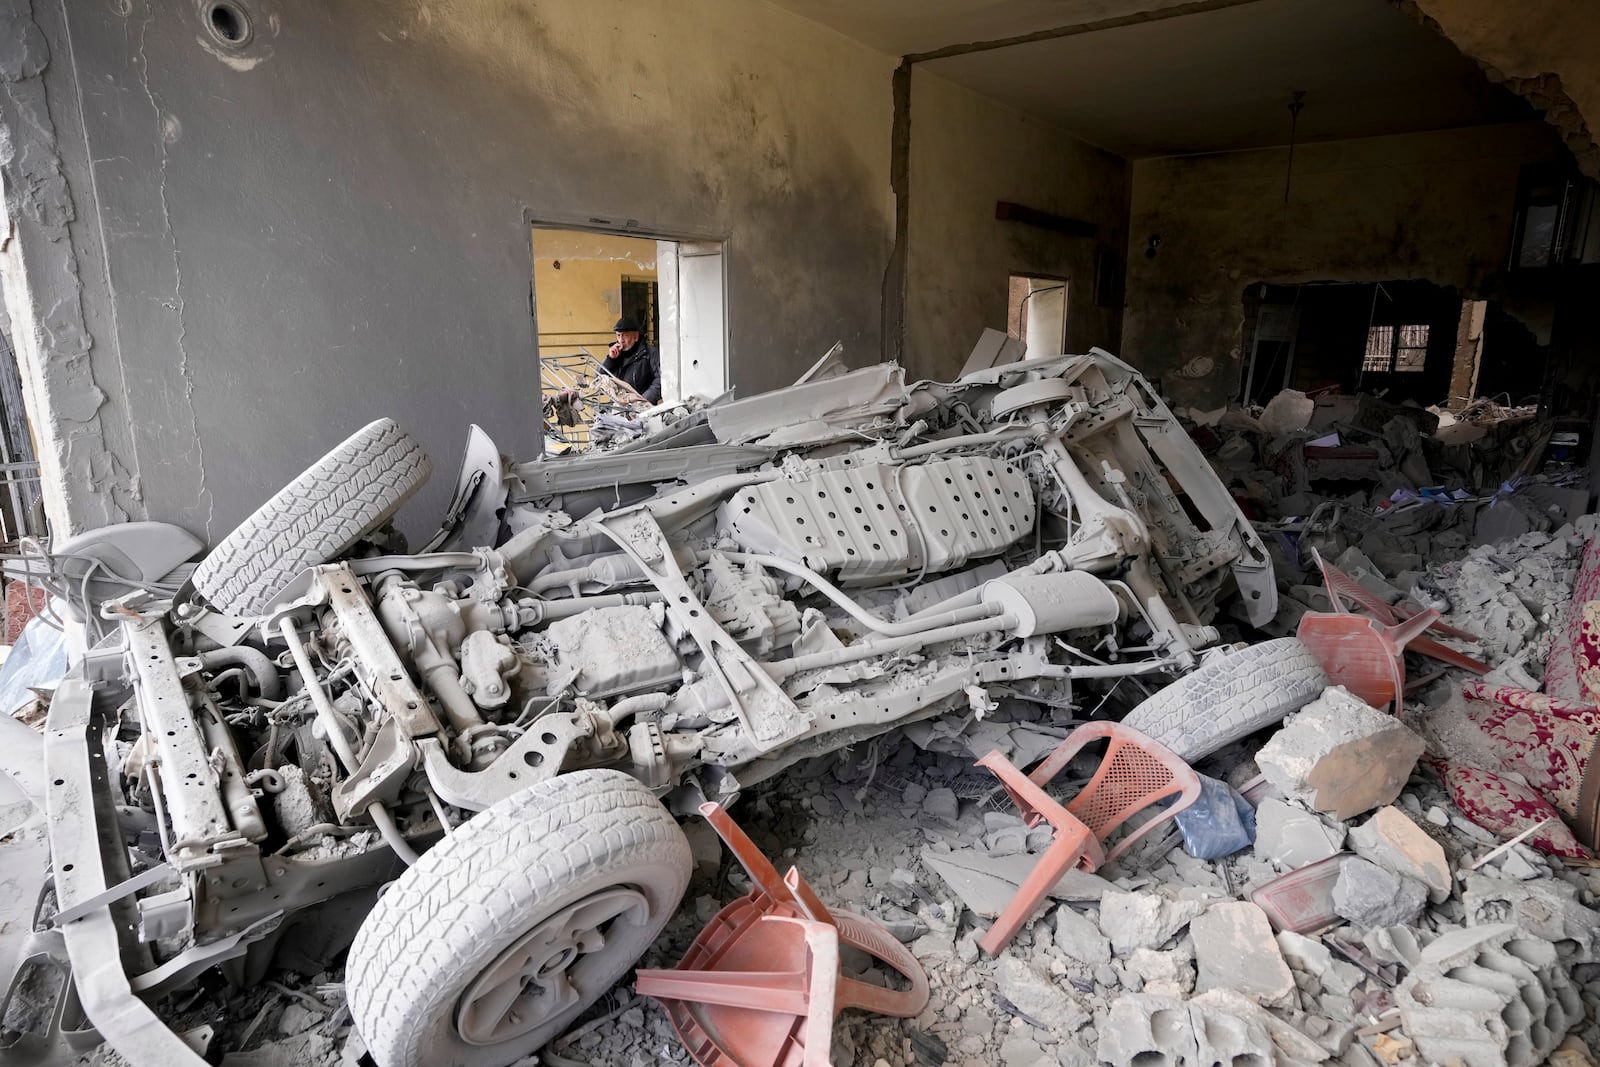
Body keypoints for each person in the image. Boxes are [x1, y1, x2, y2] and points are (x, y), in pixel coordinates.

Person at [600, 316, 662, 404]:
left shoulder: (650, 353)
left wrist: (642, 401)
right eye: (618, 335)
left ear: (635, 336)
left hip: (643, 408)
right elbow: (599, 379)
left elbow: (659, 381)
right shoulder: (616, 353)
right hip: (618, 407)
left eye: (625, 335)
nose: (621, 340)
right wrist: (610, 360)